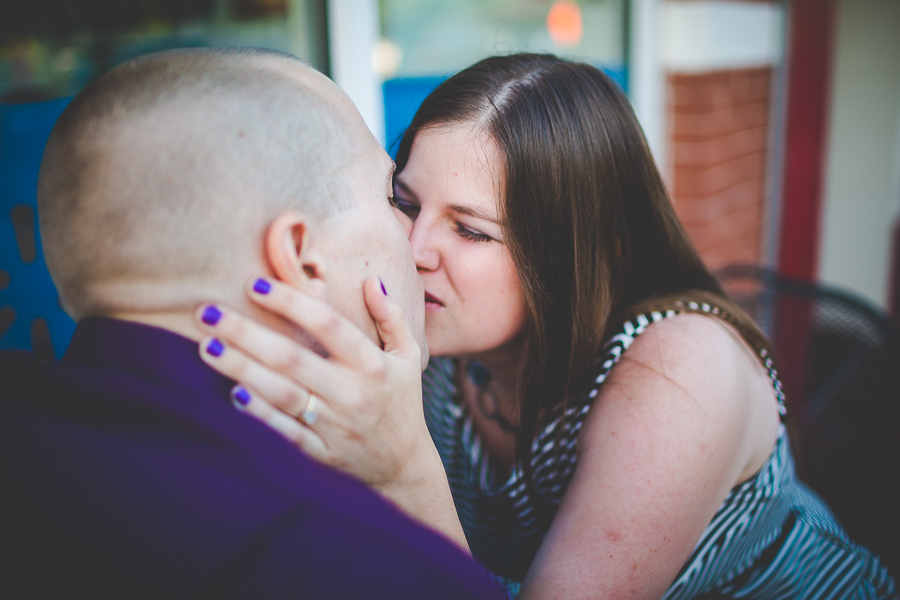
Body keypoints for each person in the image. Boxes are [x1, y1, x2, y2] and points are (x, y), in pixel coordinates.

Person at [195, 54, 898, 599]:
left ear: (584, 252)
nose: (414, 251)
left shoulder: (680, 369)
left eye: (470, 230)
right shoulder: (435, 350)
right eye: (405, 204)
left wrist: (404, 468)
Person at [0, 47, 507, 600]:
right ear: (299, 254)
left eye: (471, 230)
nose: (415, 245)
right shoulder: (355, 561)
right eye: (393, 199)